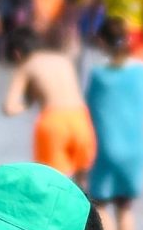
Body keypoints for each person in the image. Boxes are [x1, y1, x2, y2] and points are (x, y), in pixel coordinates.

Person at [83, 17, 143, 230]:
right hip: (135, 146)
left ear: (102, 41)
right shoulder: (141, 71)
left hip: (104, 145)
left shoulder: (98, 74)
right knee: (125, 206)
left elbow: (89, 107)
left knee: (99, 202)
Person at [6, 25, 95, 181]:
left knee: (51, 184)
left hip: (53, 122)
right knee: (82, 186)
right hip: (81, 118)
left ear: (17, 53)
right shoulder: (62, 59)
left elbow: (9, 108)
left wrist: (28, 104)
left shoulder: (27, 65)